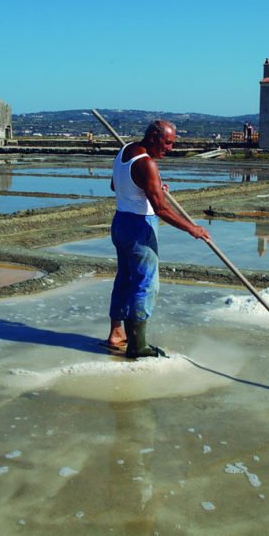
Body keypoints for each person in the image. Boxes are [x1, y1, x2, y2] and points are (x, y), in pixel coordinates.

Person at [106, 120, 210, 358]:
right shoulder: (146, 163)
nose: (170, 148)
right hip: (139, 227)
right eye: (168, 142)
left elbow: (115, 185)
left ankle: (116, 333)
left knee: (124, 278)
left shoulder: (125, 151)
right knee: (146, 283)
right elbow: (161, 210)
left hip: (120, 222)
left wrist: (151, 185)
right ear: (154, 136)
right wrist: (192, 228)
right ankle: (138, 345)